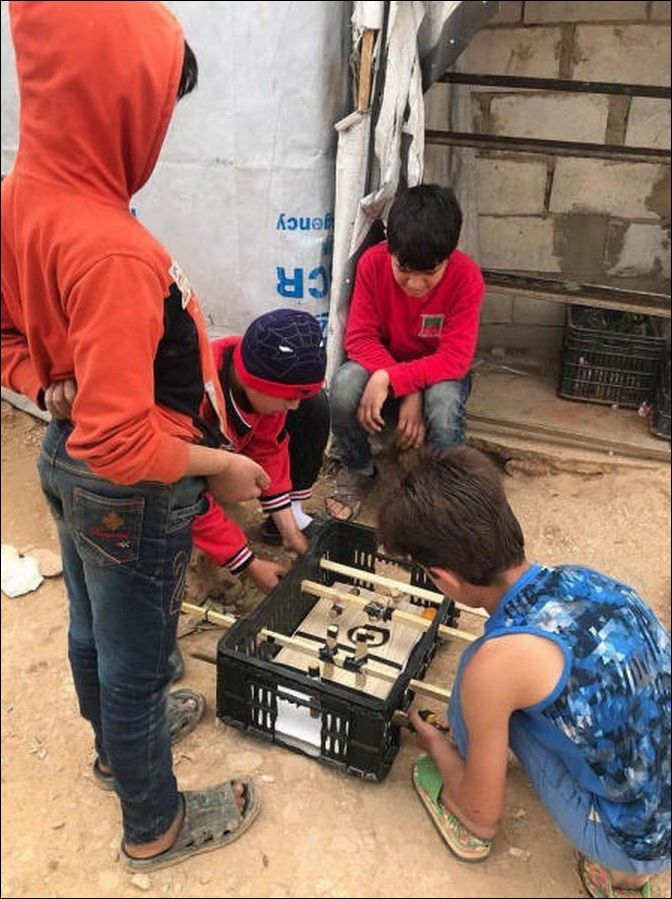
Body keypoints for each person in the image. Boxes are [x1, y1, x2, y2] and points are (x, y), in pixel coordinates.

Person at [1, 1, 267, 872]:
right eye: (157, 107)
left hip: (65, 461)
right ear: (111, 100)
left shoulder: (21, 196)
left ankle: (120, 752)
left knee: (93, 629)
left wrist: (41, 381)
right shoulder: (111, 248)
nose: (157, 131)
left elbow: (6, 333)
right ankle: (154, 823)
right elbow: (123, 444)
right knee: (139, 662)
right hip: (130, 488)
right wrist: (223, 465)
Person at [377, 447, 670, 898]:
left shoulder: (499, 662)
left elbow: (485, 815)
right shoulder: (585, 579)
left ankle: (621, 871)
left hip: (636, 845)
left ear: (443, 577)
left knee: (482, 675)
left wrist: (437, 745)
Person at [326, 184, 484, 521]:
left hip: (440, 374)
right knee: (343, 387)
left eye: (429, 273)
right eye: (404, 270)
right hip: (384, 364)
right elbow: (361, 339)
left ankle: (443, 488)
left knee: (443, 406)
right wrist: (404, 387)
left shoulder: (466, 276)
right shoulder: (372, 264)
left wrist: (397, 381)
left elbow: (455, 358)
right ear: (390, 246)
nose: (415, 284)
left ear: (450, 253)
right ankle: (358, 467)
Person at [192, 309, 330, 593]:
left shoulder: (260, 384)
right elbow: (178, 488)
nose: (294, 406)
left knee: (315, 406)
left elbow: (268, 449)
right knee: (224, 523)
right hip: (155, 480)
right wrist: (248, 564)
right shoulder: (194, 395)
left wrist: (289, 531)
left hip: (207, 462)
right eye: (288, 398)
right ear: (253, 382)